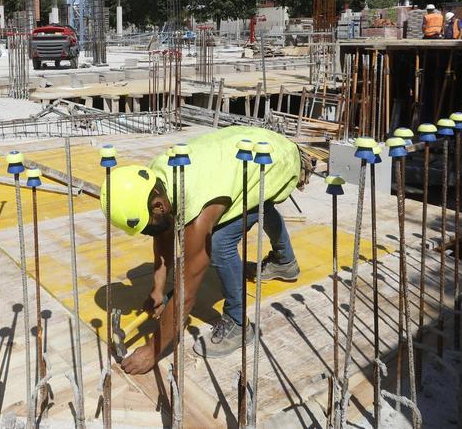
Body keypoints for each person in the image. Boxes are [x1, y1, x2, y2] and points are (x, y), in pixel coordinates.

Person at [101, 126, 313, 373]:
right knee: (256, 202)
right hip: (251, 147)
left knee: (222, 242)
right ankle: (284, 261)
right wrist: (158, 288)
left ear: (158, 205)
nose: (148, 234)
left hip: (273, 158)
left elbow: (187, 291)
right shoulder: (154, 179)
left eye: (146, 228)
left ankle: (238, 324)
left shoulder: (198, 209)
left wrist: (153, 350)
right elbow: (163, 232)